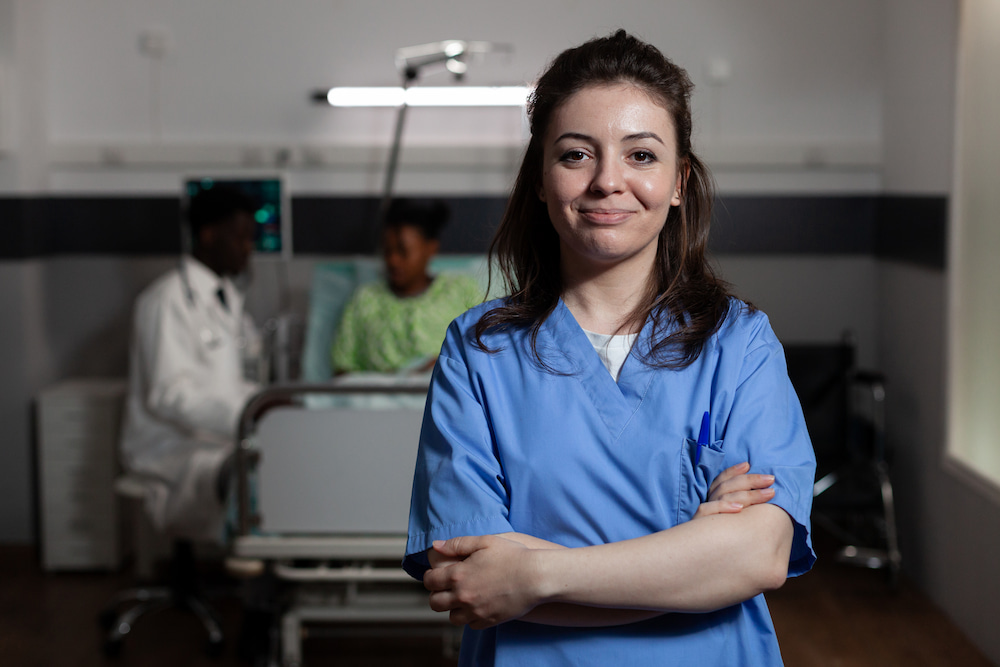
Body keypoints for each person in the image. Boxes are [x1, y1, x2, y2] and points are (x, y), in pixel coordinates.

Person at [404, 30, 816, 665]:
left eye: (641, 156)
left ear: (679, 182)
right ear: (540, 178)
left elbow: (757, 555)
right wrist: (695, 555)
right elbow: (471, 580)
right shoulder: (478, 351)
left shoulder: (739, 344)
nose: (607, 181)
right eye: (575, 155)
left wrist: (534, 575)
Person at [120, 184, 263, 542]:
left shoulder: (226, 297)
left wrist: (266, 401)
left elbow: (228, 382)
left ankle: (276, 572)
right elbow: (169, 396)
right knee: (251, 474)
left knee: (277, 455)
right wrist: (247, 417)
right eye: (240, 236)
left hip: (217, 436)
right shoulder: (165, 301)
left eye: (251, 237)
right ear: (208, 234)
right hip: (169, 449)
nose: (249, 247)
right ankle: (259, 582)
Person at [331, 199, 482, 374]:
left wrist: (441, 367)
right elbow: (342, 371)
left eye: (403, 251)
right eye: (388, 251)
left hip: (441, 391)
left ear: (431, 248)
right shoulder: (365, 299)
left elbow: (484, 355)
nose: (393, 260)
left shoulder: (460, 291)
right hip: (376, 398)